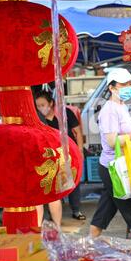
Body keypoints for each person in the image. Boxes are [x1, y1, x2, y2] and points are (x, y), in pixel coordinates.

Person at [89, 68, 131, 246]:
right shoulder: (110, 110)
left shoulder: (121, 106)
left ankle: (89, 243)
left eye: (128, 83)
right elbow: (112, 141)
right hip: (115, 168)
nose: (128, 87)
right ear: (111, 88)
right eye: (123, 84)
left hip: (115, 166)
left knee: (106, 208)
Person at [35, 91, 86, 225]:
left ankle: (76, 210)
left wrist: (80, 150)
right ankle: (51, 220)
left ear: (51, 103)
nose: (41, 108)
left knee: (72, 183)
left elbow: (78, 132)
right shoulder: (38, 119)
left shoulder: (65, 114)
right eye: (38, 106)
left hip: (68, 155)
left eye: (43, 105)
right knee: (53, 191)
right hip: (50, 159)